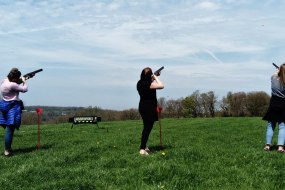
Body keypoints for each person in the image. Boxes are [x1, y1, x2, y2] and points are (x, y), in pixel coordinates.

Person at [0, 68, 28, 156]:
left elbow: (15, 83)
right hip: (13, 107)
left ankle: (8, 149)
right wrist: (24, 81)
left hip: (5, 105)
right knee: (10, 130)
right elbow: (25, 89)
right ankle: (7, 151)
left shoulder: (4, 81)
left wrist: (22, 79)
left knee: (9, 129)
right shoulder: (12, 85)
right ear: (14, 78)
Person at [137, 67, 164, 155]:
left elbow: (147, 82)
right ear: (149, 75)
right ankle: (142, 149)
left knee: (146, 127)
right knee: (147, 128)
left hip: (142, 107)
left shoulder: (139, 83)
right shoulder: (149, 84)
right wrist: (156, 77)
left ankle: (144, 146)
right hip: (149, 108)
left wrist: (153, 76)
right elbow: (161, 86)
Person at [263, 63, 285, 153]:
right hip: (283, 105)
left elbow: (274, 75)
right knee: (282, 126)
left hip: (273, 105)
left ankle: (267, 146)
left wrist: (277, 70)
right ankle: (280, 147)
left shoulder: (273, 78)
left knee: (270, 126)